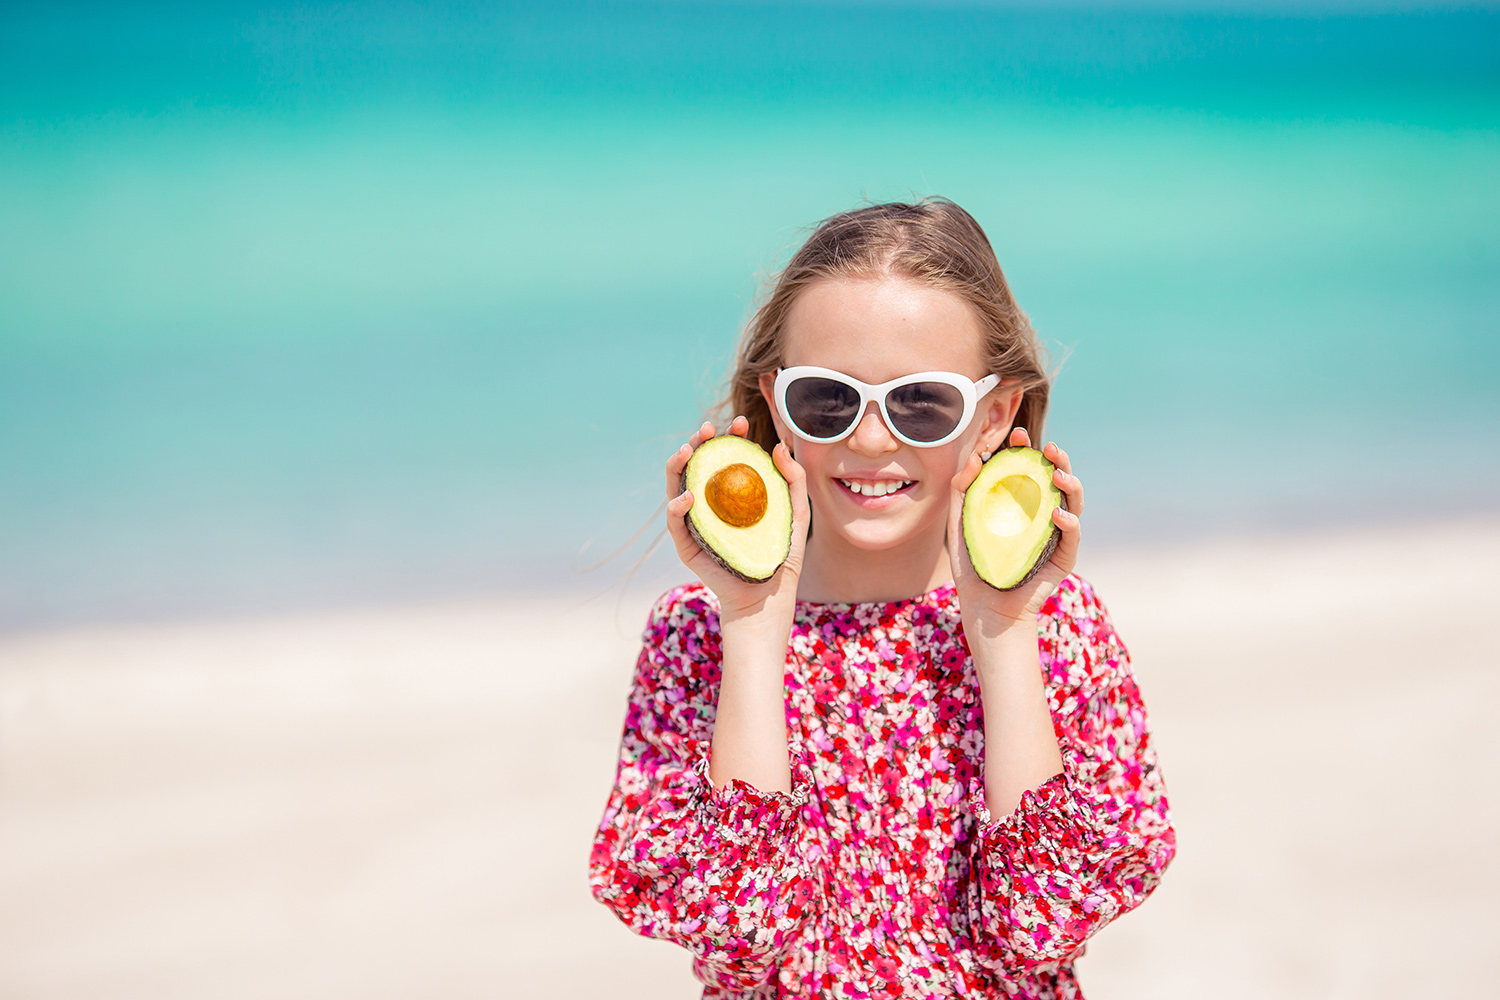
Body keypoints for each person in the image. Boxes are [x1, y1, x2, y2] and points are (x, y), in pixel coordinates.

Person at [589, 199, 1175, 998]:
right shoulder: (696, 638)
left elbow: (1047, 922)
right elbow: (738, 932)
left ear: (993, 414)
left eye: (921, 402)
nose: (869, 440)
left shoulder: (1059, 629)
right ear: (775, 405)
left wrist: (1002, 635)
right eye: (827, 400)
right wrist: (755, 627)